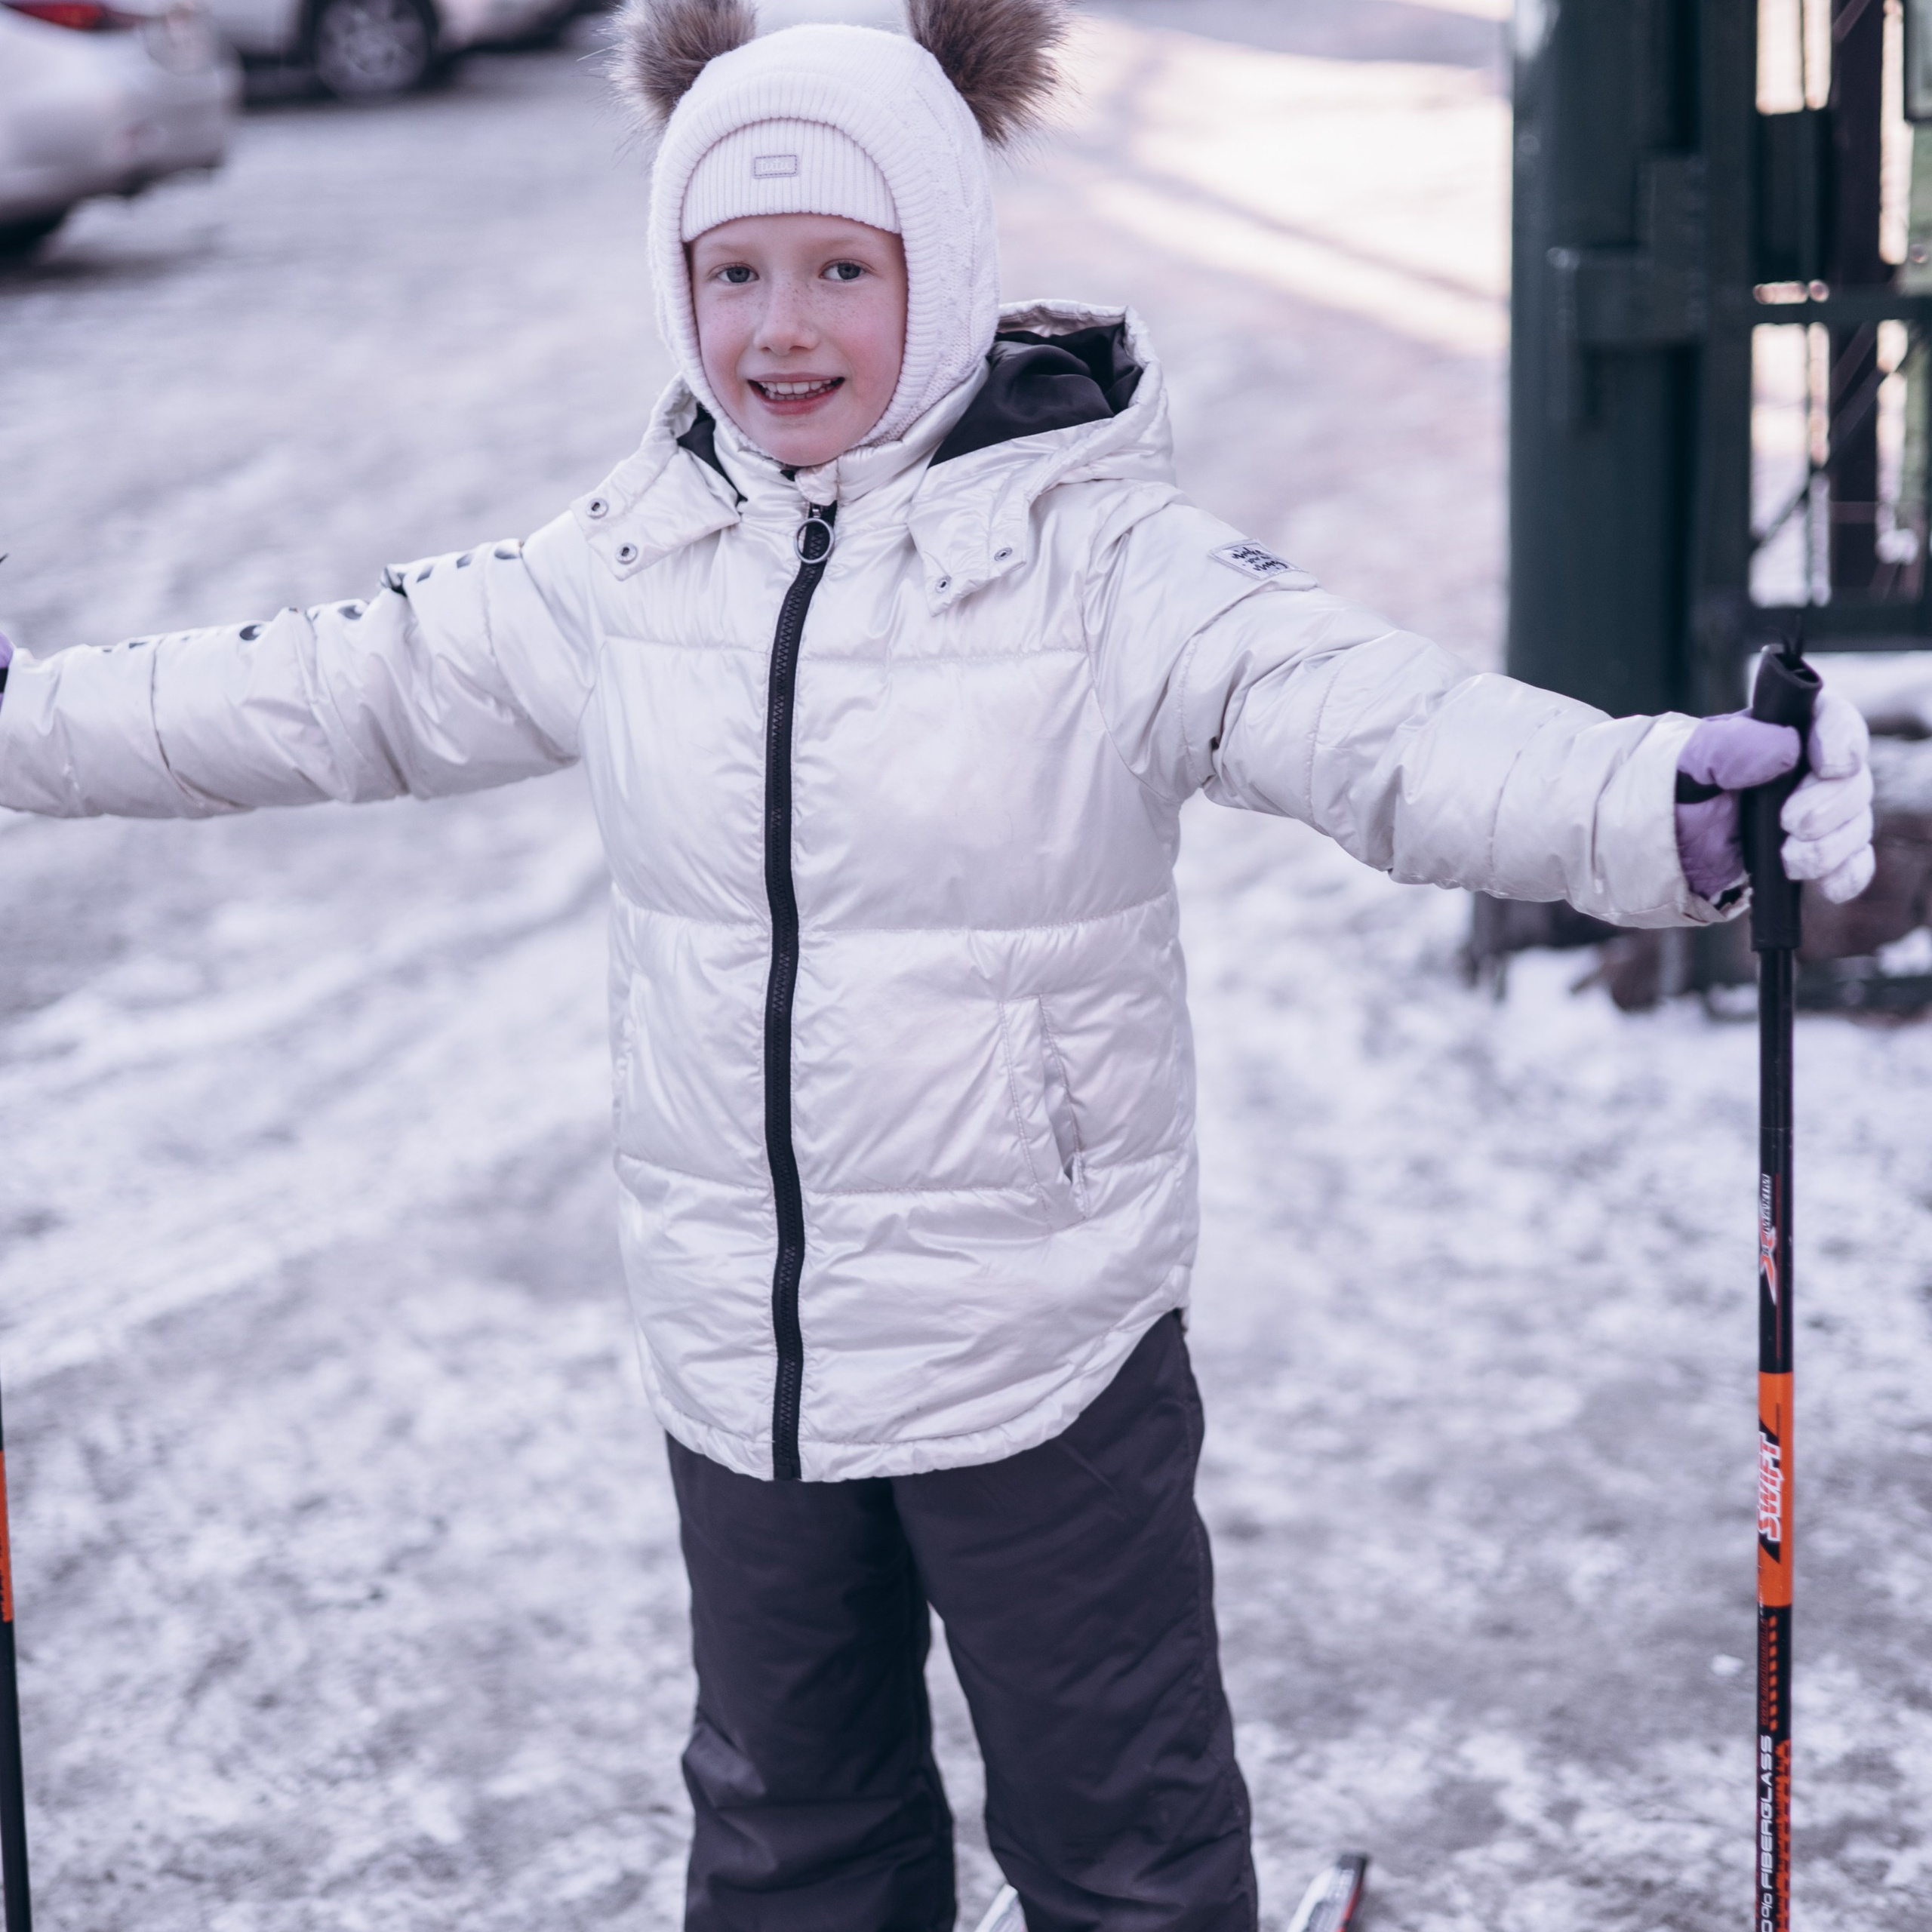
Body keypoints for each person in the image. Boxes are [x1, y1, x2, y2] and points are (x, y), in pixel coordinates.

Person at [0, 0, 1876, 1925]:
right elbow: (339, 682)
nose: (778, 327)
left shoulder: (1108, 566)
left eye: (841, 268)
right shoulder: (630, 563)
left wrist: (1649, 799)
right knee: (785, 1829)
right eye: (730, 270)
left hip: (1035, 1342)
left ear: (949, 271)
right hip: (746, 1362)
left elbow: (1377, 725)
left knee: (1118, 1826)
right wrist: (22, 719)